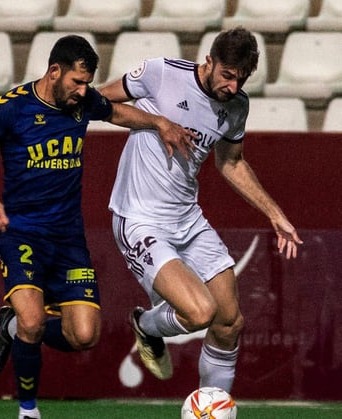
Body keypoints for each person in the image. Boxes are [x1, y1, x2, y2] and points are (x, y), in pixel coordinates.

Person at [0, 34, 194, 419]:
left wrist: (159, 122)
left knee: (84, 335)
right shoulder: (11, 108)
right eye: (77, 82)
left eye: (87, 84)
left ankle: (11, 329)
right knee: (34, 321)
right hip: (21, 233)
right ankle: (28, 410)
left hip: (68, 238)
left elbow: (116, 112)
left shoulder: (82, 103)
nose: (84, 91)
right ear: (54, 71)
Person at [99, 27, 303, 392]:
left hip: (187, 219)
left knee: (229, 321)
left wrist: (274, 213)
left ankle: (212, 411)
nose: (233, 86)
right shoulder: (162, 73)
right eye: (227, 75)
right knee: (199, 312)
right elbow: (99, 104)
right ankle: (146, 326)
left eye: (241, 79)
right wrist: (159, 122)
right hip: (140, 218)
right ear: (209, 61)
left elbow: (231, 162)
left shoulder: (237, 105)